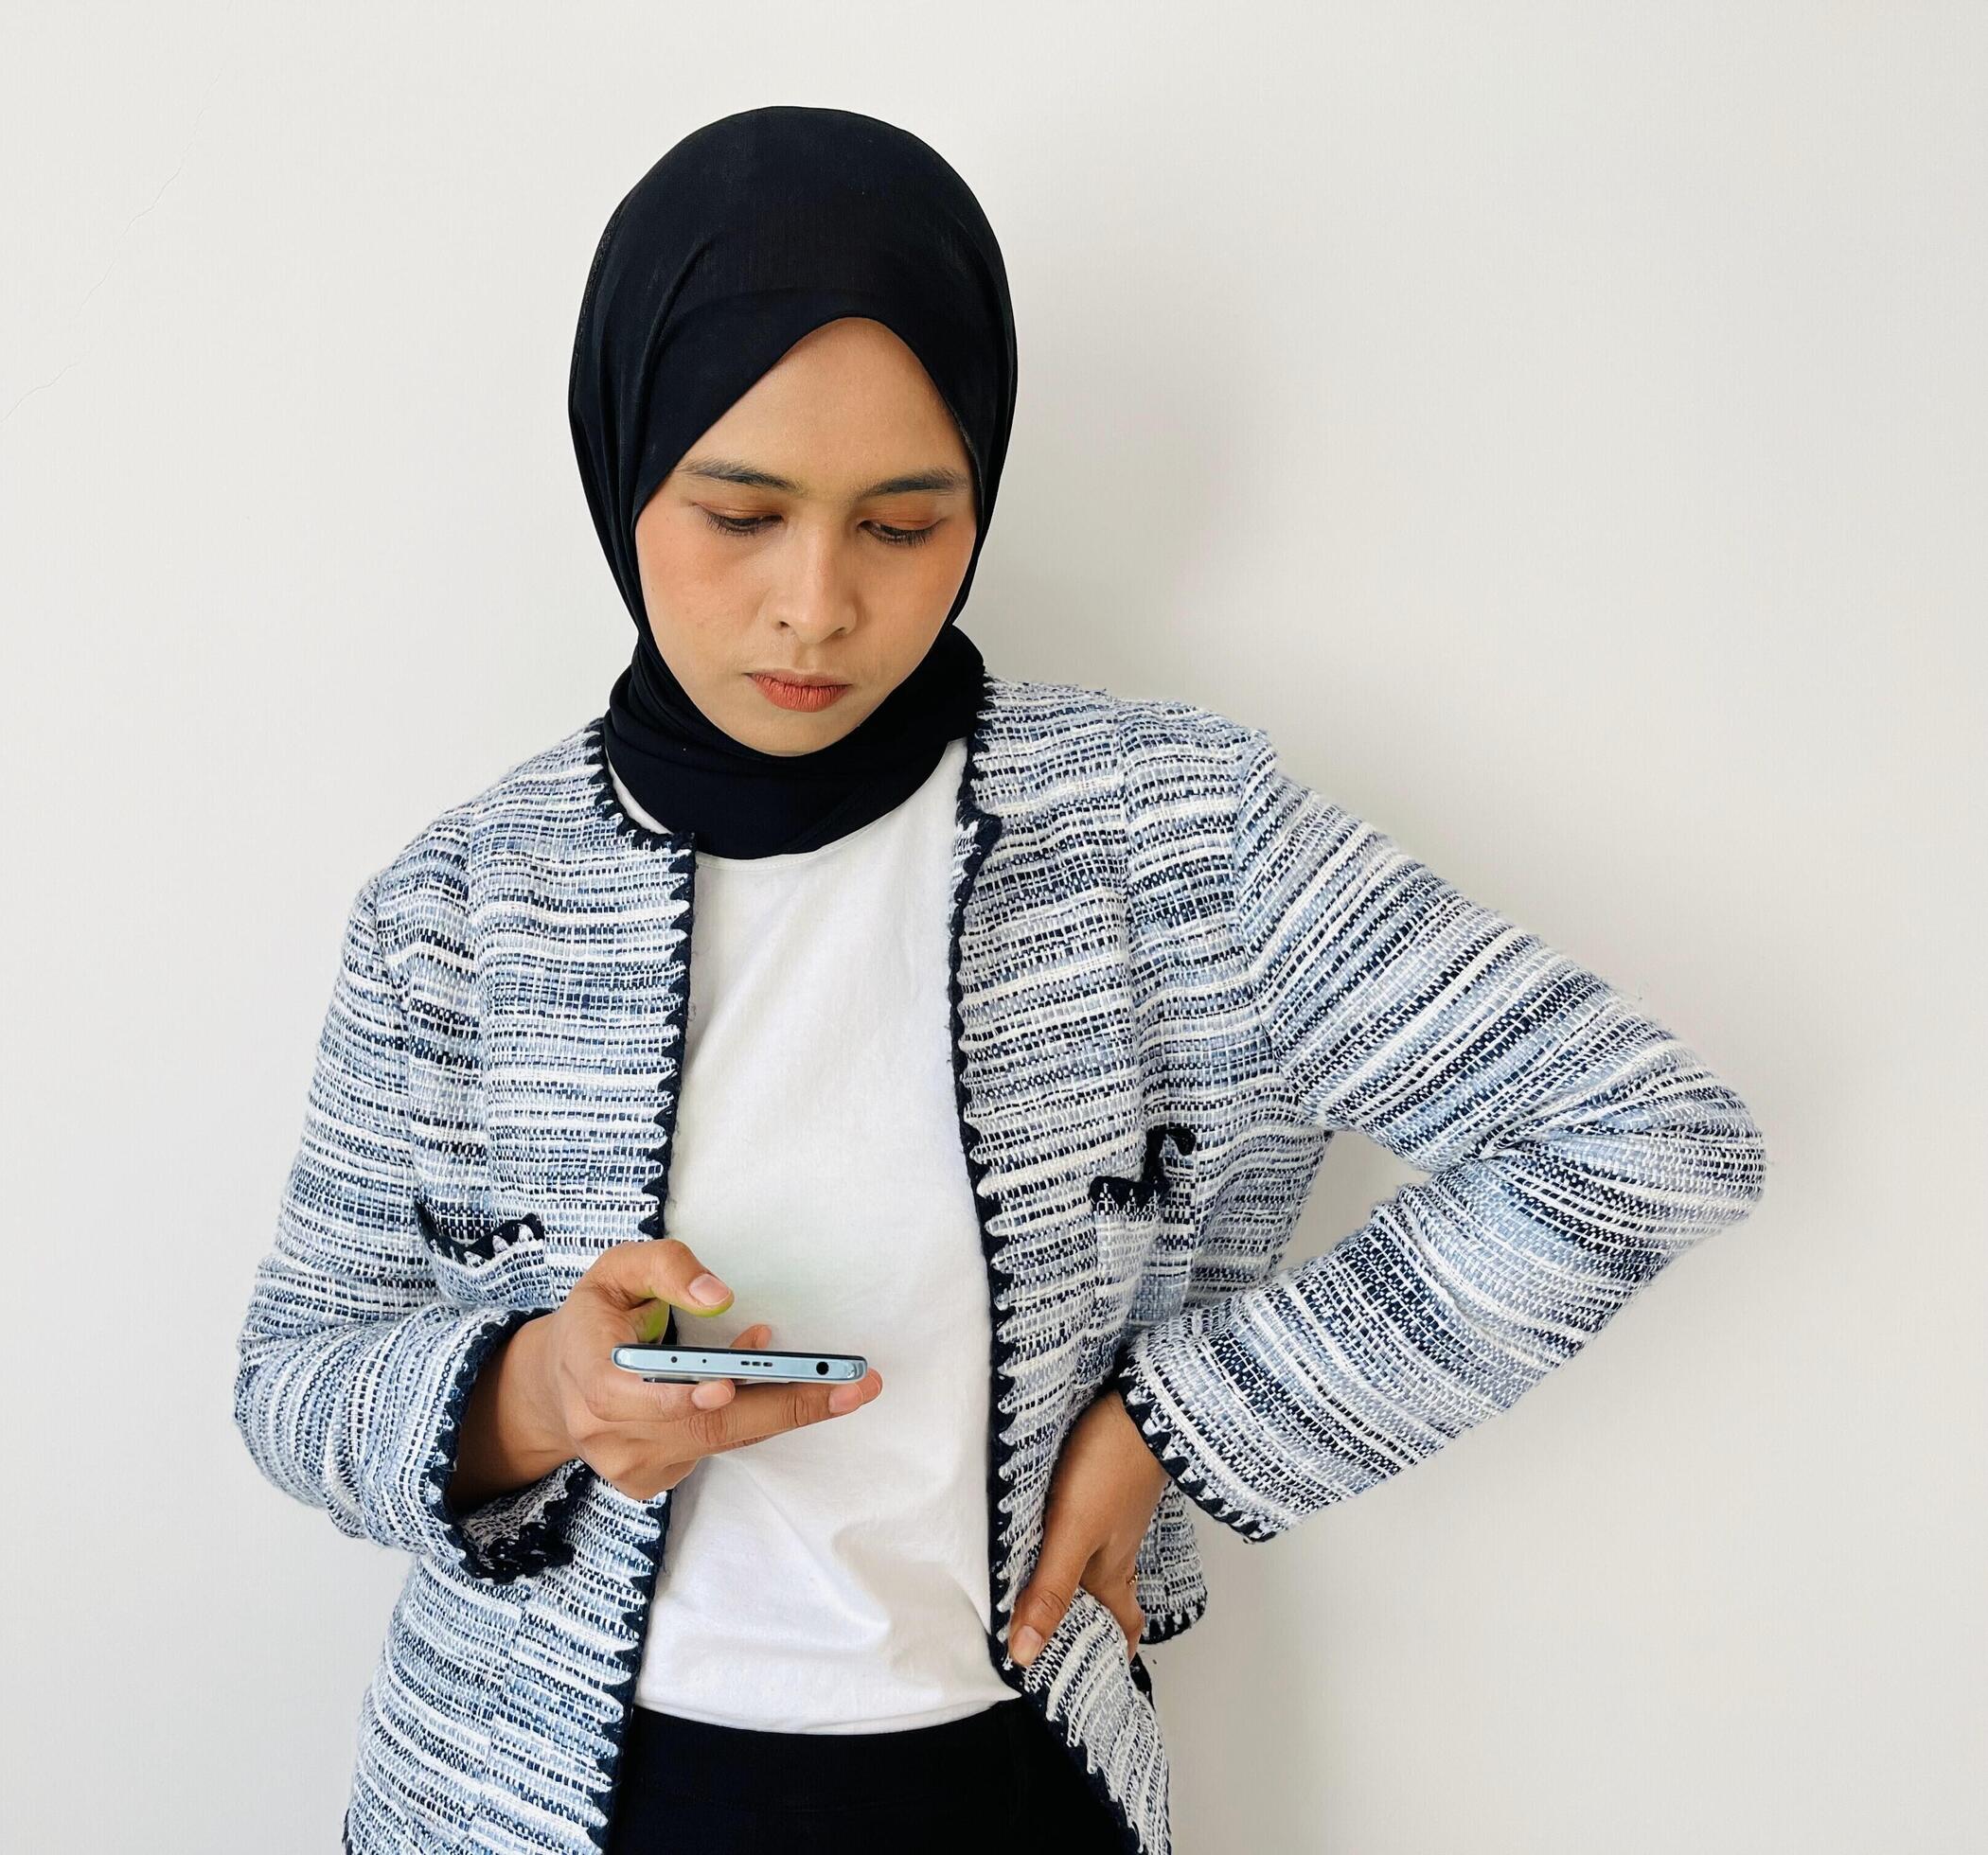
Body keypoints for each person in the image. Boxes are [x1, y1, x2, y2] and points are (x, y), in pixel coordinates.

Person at [232, 106, 1768, 1855]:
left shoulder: (1176, 843)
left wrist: (1175, 1428)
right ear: (620, 469)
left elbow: (1643, 1137)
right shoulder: (463, 904)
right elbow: (295, 1378)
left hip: (999, 1784)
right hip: (523, 1805)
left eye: (902, 523)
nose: (813, 606)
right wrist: (537, 1396)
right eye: (739, 513)